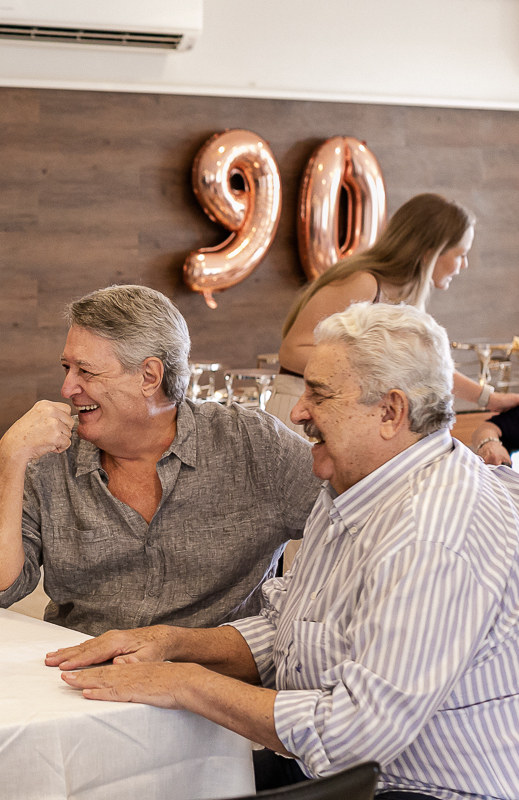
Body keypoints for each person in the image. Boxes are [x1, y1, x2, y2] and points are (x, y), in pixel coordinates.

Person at [50, 302, 519, 800]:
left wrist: (185, 683)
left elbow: (351, 736)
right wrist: (169, 643)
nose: (297, 411)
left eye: (319, 394)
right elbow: (293, 630)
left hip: (419, 789)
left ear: (390, 412)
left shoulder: (431, 535)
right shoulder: (356, 486)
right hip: (332, 773)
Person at [0, 285, 322, 636]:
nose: (67, 388)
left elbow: (351, 516)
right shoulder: (51, 455)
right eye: (66, 368)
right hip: (82, 668)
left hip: (206, 672)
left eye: (86, 371)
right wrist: (10, 456)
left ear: (150, 377)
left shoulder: (254, 446)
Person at [268, 192, 519, 435]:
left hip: (333, 416)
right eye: (461, 254)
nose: (464, 264)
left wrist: (489, 399)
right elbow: (291, 352)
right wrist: (373, 372)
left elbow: (427, 368)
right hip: (299, 413)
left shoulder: (402, 294)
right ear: (430, 253)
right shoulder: (364, 283)